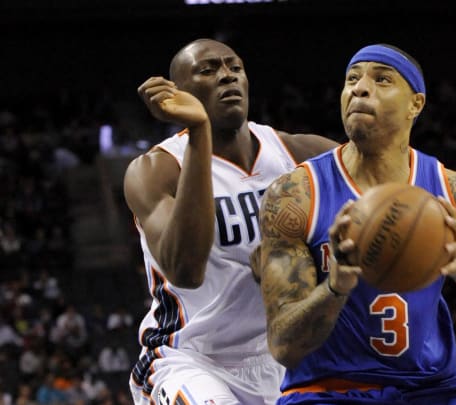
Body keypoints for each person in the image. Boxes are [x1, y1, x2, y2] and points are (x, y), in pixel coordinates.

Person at [256, 44, 456, 404]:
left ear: (415, 104)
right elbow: (283, 346)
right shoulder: (296, 195)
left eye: (382, 79)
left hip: (433, 390)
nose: (359, 88)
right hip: (329, 392)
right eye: (352, 79)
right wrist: (336, 287)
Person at [123, 38, 337, 404]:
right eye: (208, 70)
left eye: (234, 67)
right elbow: (185, 271)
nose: (227, 77)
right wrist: (199, 133)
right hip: (190, 358)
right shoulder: (156, 170)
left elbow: (400, 192)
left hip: (284, 357)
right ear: (178, 92)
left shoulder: (301, 155)